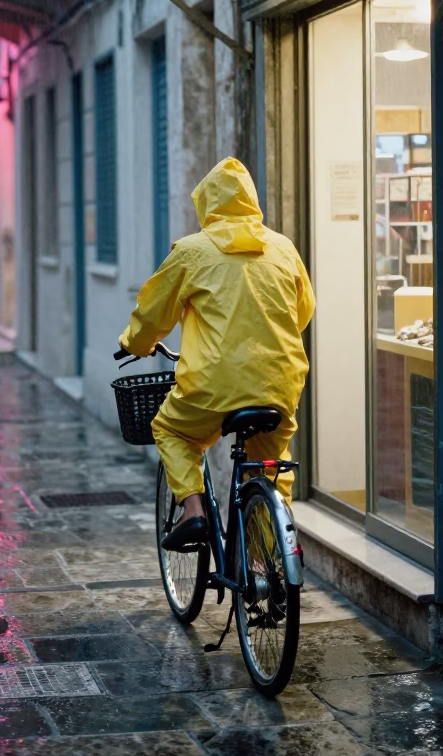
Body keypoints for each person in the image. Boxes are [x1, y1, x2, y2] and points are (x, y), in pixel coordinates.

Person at [118, 157, 315, 551]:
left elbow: (154, 313)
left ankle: (193, 511)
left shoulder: (192, 252)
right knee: (268, 468)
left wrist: (134, 344)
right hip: (279, 383)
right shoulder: (283, 247)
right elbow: (304, 311)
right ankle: (264, 567)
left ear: (206, 204)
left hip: (213, 387)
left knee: (170, 429)